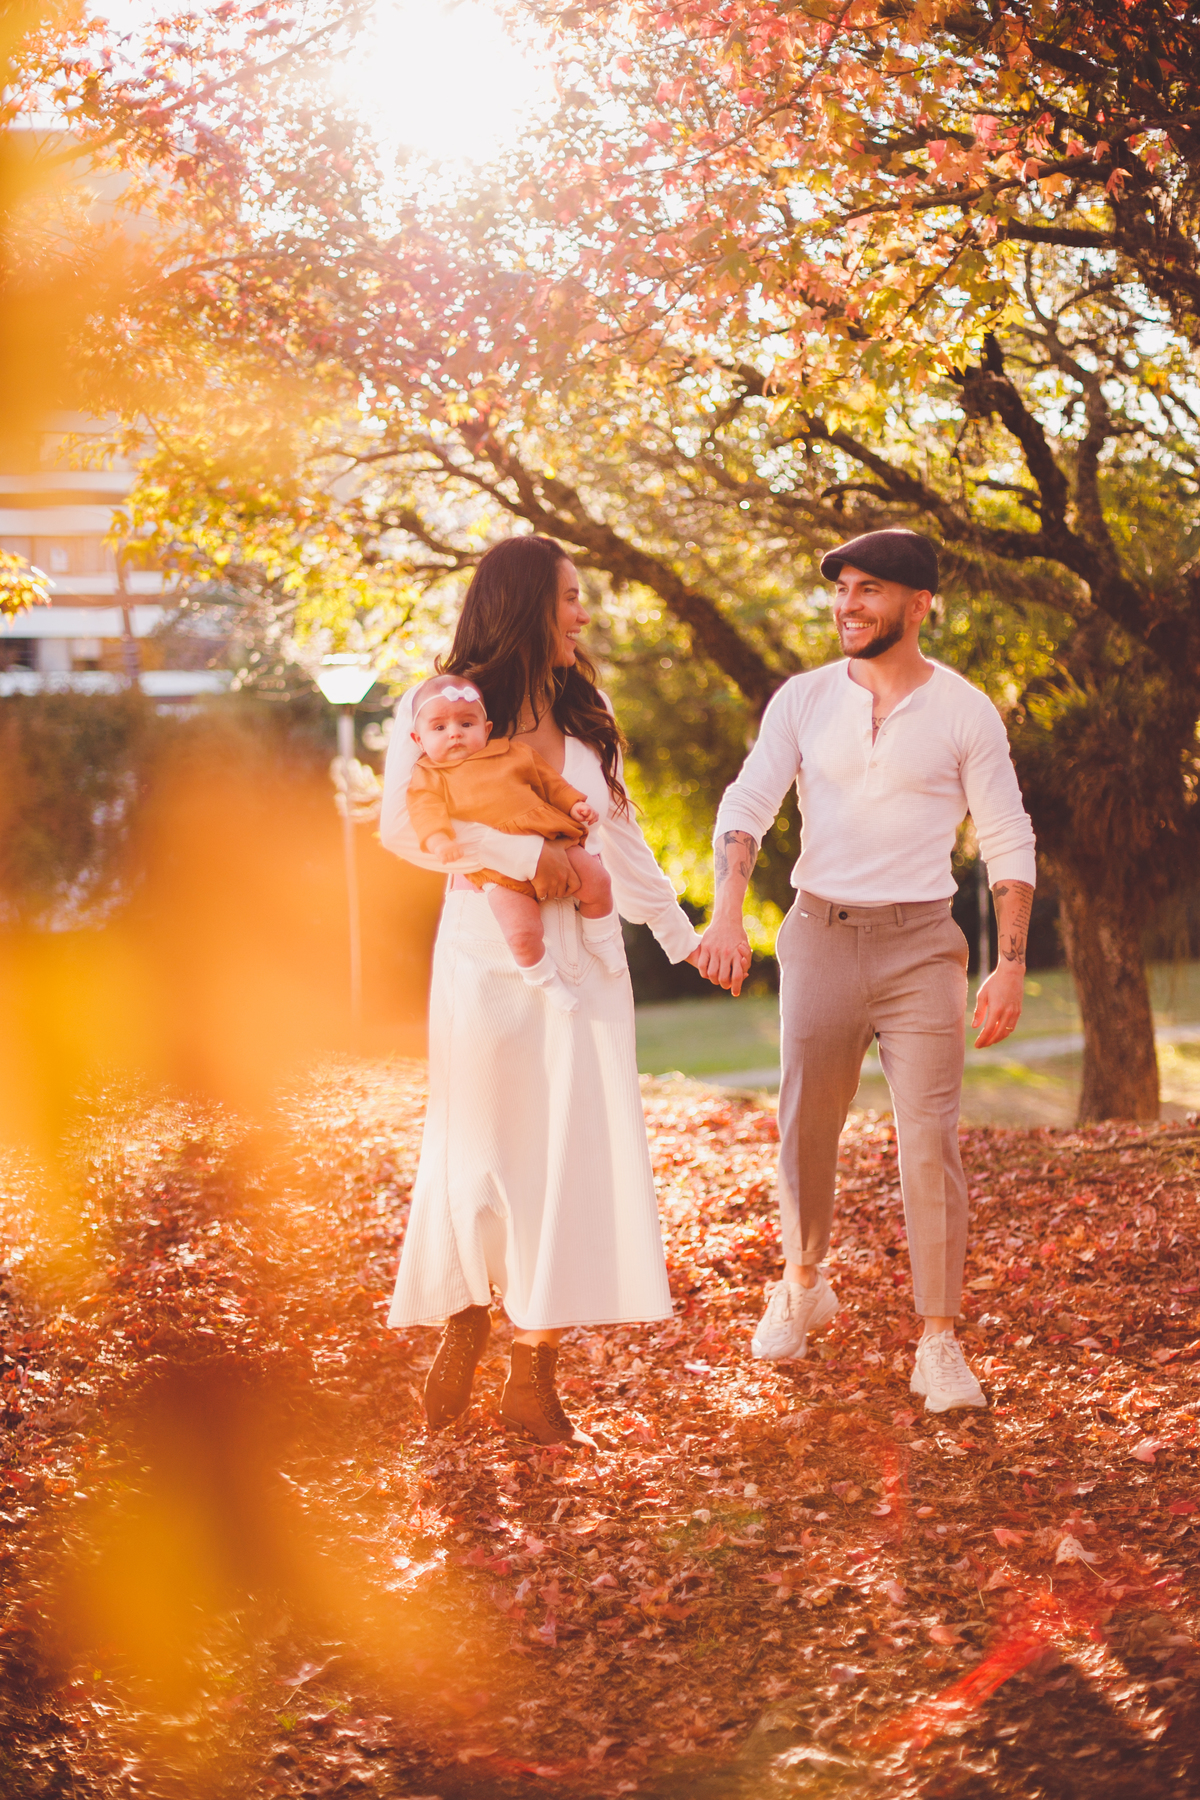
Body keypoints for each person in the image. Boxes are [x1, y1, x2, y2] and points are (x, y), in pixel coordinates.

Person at [697, 528, 1036, 1414]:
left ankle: (939, 1340)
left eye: (870, 589)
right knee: (808, 1120)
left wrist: (1009, 965)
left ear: (920, 604)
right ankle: (803, 1280)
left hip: (924, 945)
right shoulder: (803, 700)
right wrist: (726, 911)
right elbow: (749, 802)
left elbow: (1006, 835)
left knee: (930, 1139)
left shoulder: (966, 710)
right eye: (842, 588)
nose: (849, 604)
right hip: (818, 933)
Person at [379, 534, 704, 1446]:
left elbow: (624, 840)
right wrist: (531, 858)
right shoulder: (441, 706)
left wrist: (684, 942)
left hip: (588, 963)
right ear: (526, 603)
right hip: (488, 951)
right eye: (568, 598)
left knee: (571, 1154)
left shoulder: (585, 706)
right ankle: (464, 1313)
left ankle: (534, 1374)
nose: (582, 615)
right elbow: (402, 833)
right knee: (480, 1143)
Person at [406, 672, 625, 1013]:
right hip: (496, 869)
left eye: (466, 724)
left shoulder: (514, 753)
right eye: (439, 729)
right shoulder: (429, 775)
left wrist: (575, 804)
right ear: (418, 739)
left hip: (549, 837)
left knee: (598, 881)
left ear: (487, 728)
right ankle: (545, 981)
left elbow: (551, 783)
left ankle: (600, 940)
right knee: (521, 933)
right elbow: (424, 811)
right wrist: (438, 841)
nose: (454, 733)